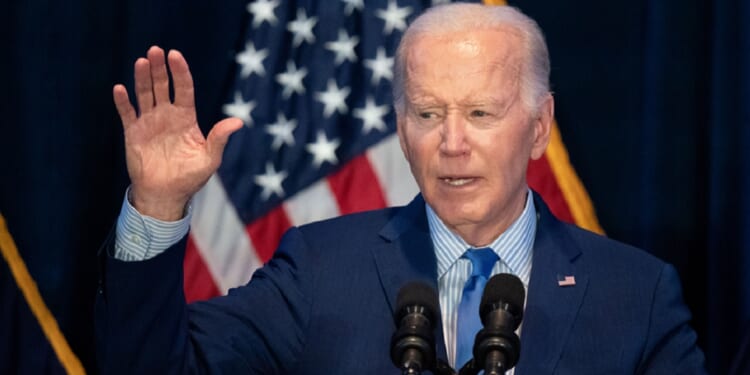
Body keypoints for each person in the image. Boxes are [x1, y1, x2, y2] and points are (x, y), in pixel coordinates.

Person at [96, 3, 707, 374]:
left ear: (539, 127)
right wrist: (157, 204)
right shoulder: (319, 271)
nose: (452, 143)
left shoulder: (636, 295)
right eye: (427, 114)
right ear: (400, 129)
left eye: (481, 115)